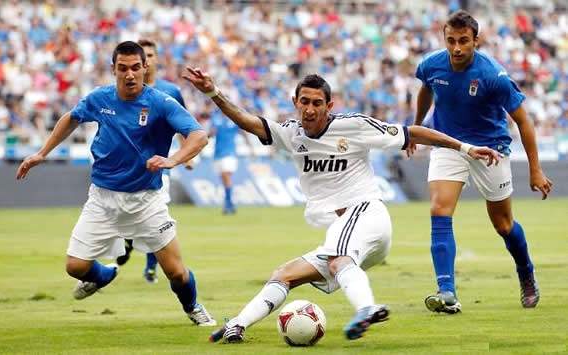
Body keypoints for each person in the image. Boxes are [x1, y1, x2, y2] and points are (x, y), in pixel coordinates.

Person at [182, 68, 499, 342]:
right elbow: (248, 122)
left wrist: (465, 148)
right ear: (295, 103)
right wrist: (212, 92)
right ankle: (238, 324)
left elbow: (410, 132)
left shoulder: (355, 126)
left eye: (317, 103)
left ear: (329, 106)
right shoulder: (290, 135)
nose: (309, 109)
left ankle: (367, 308)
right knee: (284, 275)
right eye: (303, 102)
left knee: (338, 258)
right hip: (346, 234)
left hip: (365, 212)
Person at [16, 41, 216, 327]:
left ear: (145, 68)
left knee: (176, 272)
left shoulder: (161, 102)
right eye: (123, 68)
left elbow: (198, 136)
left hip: (146, 200)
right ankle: (104, 276)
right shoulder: (100, 98)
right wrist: (41, 153)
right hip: (102, 198)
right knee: (75, 267)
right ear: (113, 69)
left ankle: (193, 306)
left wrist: (172, 160)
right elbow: (71, 118)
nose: (130, 74)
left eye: (136, 68)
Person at [409, 10, 553, 314]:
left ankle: (525, 270)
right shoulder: (432, 65)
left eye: (464, 41)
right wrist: (417, 127)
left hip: (491, 149)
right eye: (451, 41)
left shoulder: (493, 75)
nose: (457, 48)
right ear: (444, 39)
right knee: (439, 209)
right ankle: (447, 291)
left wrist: (535, 170)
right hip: (448, 144)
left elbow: (524, 122)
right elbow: (426, 89)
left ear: (477, 40)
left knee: (503, 224)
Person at [115, 38, 191, 284]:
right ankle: (127, 240)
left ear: (152, 60)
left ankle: (150, 267)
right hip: (128, 168)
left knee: (156, 217)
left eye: (150, 54)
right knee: (131, 216)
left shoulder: (170, 91)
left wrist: (184, 155)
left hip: (158, 164)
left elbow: (181, 124)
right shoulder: (122, 91)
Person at [209, 109, 252, 215]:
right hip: (217, 154)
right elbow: (211, 133)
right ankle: (230, 204)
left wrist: (250, 146)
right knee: (224, 180)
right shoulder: (216, 119)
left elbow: (243, 131)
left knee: (226, 176)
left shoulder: (234, 120)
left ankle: (228, 204)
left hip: (230, 154)